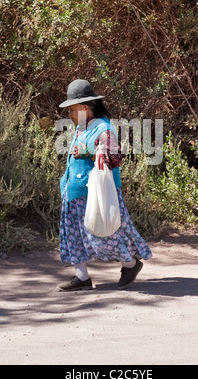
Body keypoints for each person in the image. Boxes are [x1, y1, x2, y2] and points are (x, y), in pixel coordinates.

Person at [57, 79, 152, 291]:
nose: (70, 115)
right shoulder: (83, 128)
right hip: (74, 194)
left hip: (96, 195)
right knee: (73, 237)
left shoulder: (103, 129)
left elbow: (115, 157)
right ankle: (81, 277)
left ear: (84, 108)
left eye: (72, 110)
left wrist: (88, 152)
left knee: (107, 235)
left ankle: (131, 264)